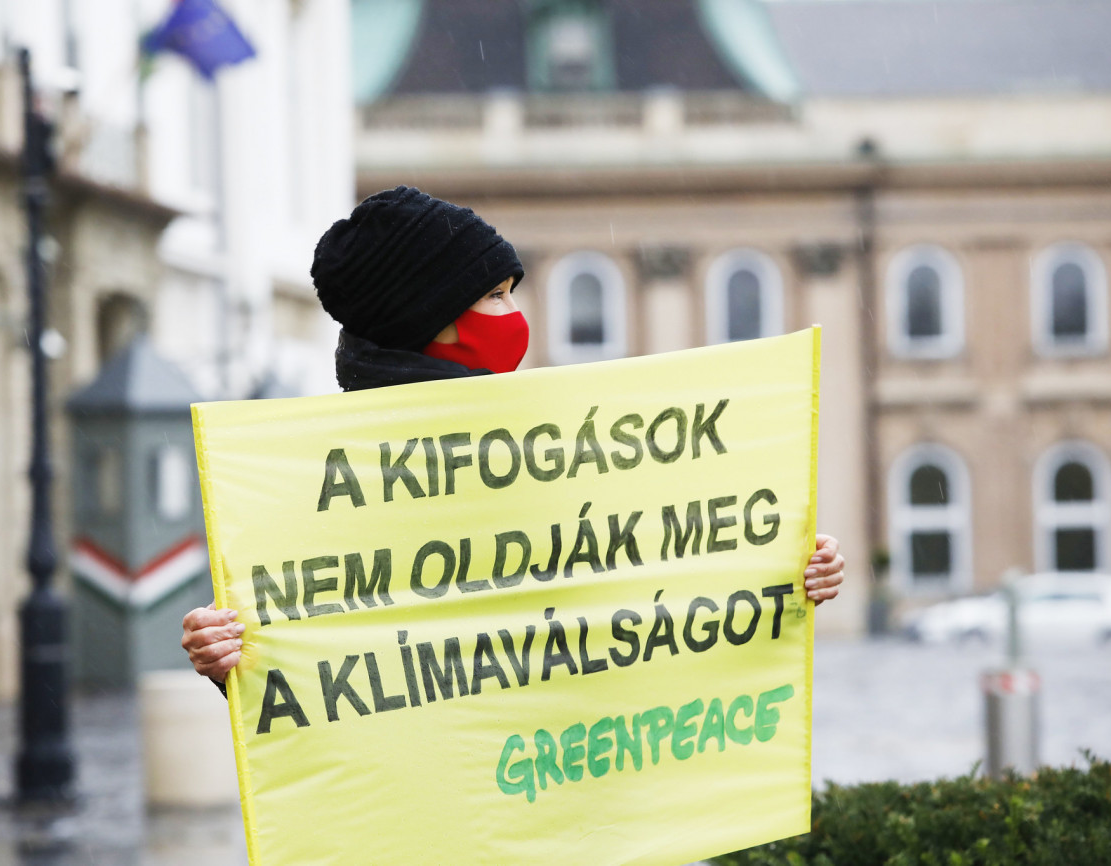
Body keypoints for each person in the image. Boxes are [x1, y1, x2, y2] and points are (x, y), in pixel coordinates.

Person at [182, 186, 845, 684]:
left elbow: (649, 597)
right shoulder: (323, 478)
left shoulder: (559, 451)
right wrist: (227, 655)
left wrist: (779, 576)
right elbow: (311, 672)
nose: (513, 315)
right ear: (430, 318)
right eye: (495, 295)